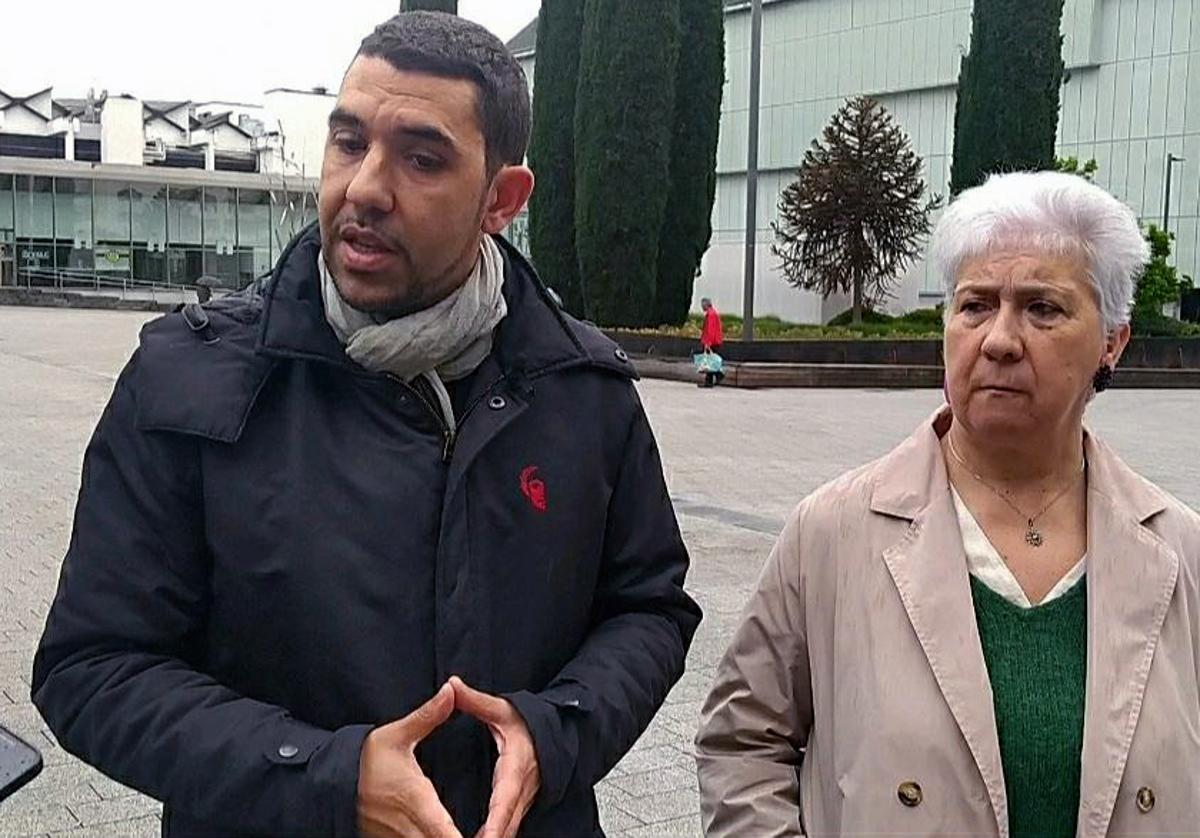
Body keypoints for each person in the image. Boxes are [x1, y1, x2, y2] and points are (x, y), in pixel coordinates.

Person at [31, 13, 700, 838]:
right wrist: (328, 778)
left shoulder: (583, 392)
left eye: (422, 158)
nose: (365, 187)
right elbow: (92, 668)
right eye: (349, 142)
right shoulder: (188, 382)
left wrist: (556, 728)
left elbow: (649, 608)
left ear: (502, 198)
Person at [695, 171, 1200, 836]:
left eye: (1041, 308)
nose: (998, 339)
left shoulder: (1179, 550)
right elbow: (742, 744)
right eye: (975, 305)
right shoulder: (834, 532)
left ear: (1112, 341)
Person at [698, 297, 724, 388]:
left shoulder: (711, 314)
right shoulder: (712, 313)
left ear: (706, 304)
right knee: (710, 362)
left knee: (710, 362)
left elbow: (710, 330)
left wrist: (707, 343)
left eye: (702, 304)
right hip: (715, 341)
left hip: (712, 342)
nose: (701, 306)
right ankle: (711, 380)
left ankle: (717, 376)